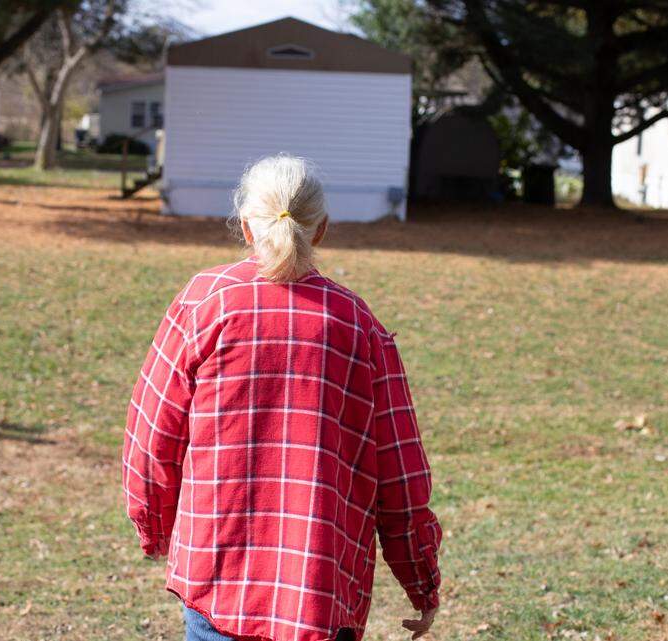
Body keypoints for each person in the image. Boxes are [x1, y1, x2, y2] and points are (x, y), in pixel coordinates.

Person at [123, 154, 441, 641]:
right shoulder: (358, 325)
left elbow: (152, 435)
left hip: (218, 578)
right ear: (322, 230)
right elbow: (401, 473)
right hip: (321, 589)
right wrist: (420, 580)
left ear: (246, 227)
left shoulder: (205, 302)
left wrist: (155, 526)